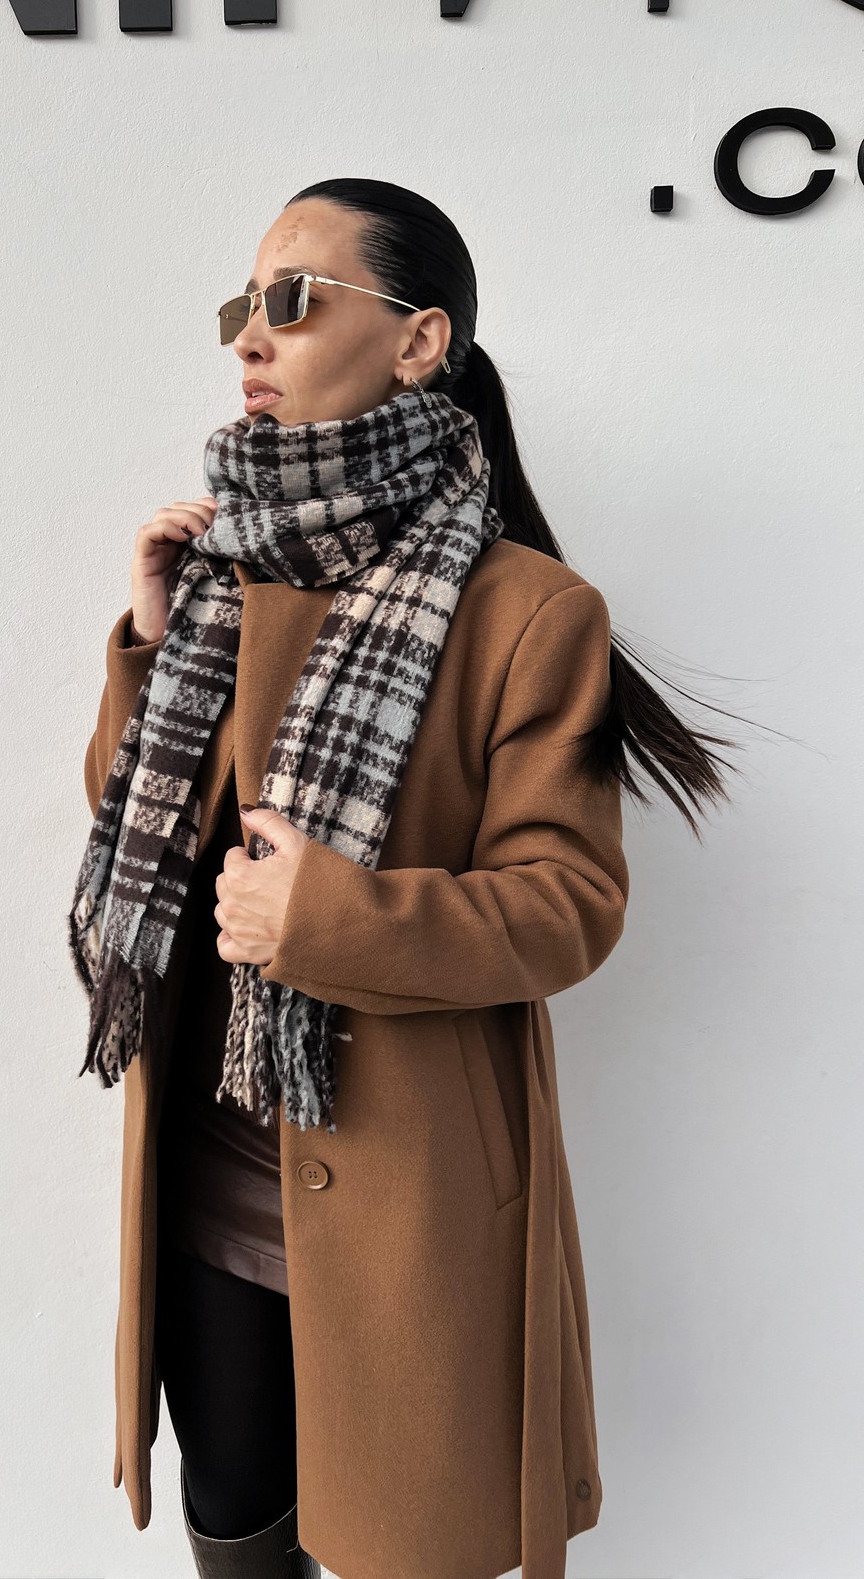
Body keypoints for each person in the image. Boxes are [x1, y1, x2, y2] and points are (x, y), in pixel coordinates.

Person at [70, 179, 744, 1579]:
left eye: (293, 300)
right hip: (211, 1170)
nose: (250, 336)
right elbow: (139, 843)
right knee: (234, 1528)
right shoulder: (222, 577)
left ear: (421, 342)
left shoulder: (526, 611)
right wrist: (148, 642)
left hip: (405, 1195)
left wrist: (329, 921)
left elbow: (568, 905)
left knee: (404, 1546)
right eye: (243, 305)